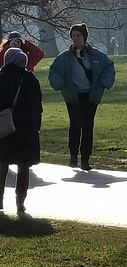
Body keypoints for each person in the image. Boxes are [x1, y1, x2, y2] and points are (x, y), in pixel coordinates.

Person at [0, 48, 42, 213]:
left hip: (7, 127)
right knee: (24, 166)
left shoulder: (3, 78)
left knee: (2, 163)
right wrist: (36, 127)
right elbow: (38, 107)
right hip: (28, 129)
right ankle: (20, 202)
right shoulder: (31, 79)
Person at [48, 23, 116, 170]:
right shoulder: (65, 57)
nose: (76, 38)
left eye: (78, 35)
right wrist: (60, 85)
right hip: (73, 96)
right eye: (73, 36)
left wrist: (104, 82)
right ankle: (73, 158)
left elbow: (109, 67)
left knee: (87, 126)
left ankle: (85, 160)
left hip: (90, 97)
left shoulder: (97, 55)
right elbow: (54, 71)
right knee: (74, 126)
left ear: (84, 36)